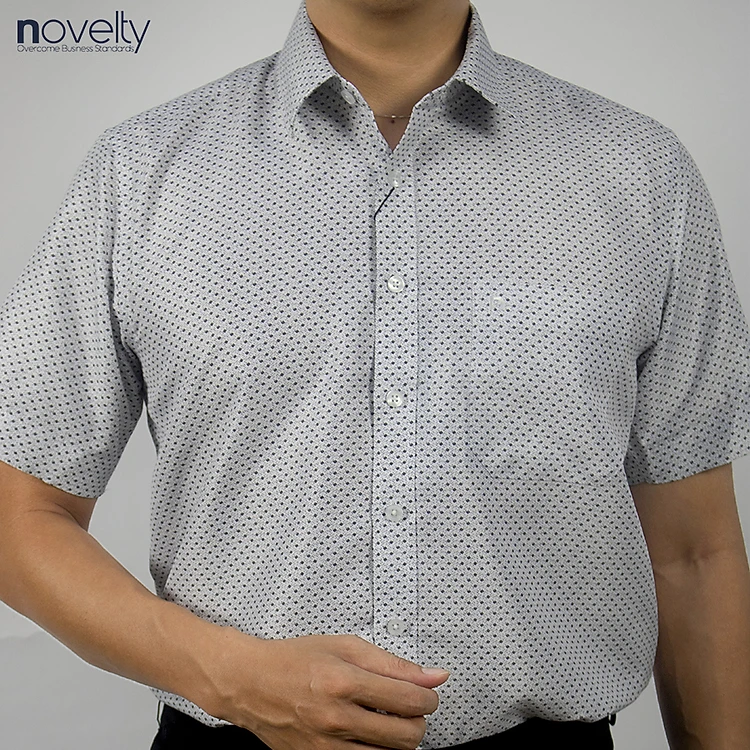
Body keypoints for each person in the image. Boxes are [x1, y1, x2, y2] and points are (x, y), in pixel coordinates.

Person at [0, 0, 748, 748]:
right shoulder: (138, 172)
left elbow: (695, 555)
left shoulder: (641, 173)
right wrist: (230, 677)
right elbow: (19, 515)